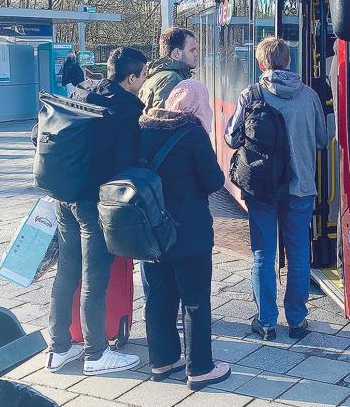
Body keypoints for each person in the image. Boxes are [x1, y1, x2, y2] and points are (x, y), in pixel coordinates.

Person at [46, 47, 147, 375]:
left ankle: (59, 348)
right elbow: (125, 165)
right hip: (93, 203)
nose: (143, 82)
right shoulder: (127, 109)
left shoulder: (89, 94)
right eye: (143, 75)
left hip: (66, 198)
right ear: (131, 77)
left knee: (67, 271)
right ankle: (96, 354)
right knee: (94, 276)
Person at [225, 37, 326, 341]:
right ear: (289, 61)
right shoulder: (308, 96)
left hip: (262, 188)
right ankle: (296, 320)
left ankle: (266, 321)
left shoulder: (251, 94)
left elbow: (231, 137)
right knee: (297, 253)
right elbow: (322, 139)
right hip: (301, 187)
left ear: (261, 64)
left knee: (262, 253)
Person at [139, 79, 230, 389]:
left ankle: (162, 361)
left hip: (150, 229)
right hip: (188, 231)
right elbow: (214, 181)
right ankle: (201, 368)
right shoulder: (193, 132)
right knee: (194, 300)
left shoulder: (144, 126)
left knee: (158, 297)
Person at [139, 27, 198, 112]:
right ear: (177, 53)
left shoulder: (155, 75)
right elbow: (164, 119)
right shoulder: (172, 78)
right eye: (192, 50)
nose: (196, 54)